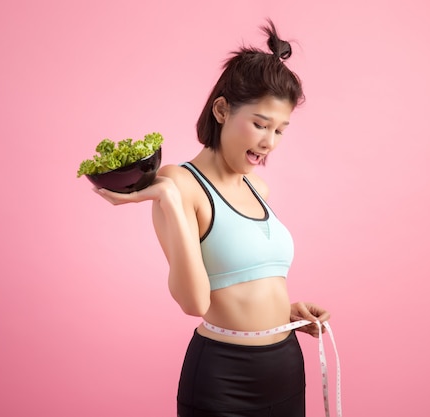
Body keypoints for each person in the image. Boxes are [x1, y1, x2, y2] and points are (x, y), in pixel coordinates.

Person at [95, 19, 331, 417]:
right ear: (222, 109)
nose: (268, 143)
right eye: (259, 124)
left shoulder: (259, 189)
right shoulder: (181, 184)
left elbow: (244, 279)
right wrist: (168, 198)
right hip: (224, 378)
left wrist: (286, 312)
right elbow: (195, 301)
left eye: (280, 130)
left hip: (287, 364)